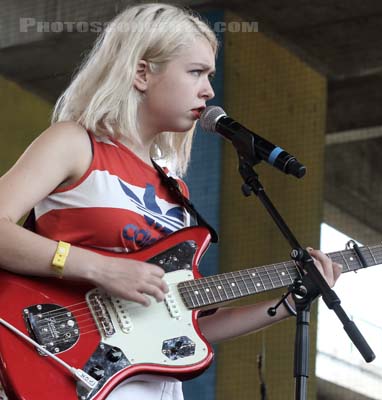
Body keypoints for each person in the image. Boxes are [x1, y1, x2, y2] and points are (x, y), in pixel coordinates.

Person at [0, 3, 342, 399]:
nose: (209, 90)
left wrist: (286, 305)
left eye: (210, 75)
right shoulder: (75, 143)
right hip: (64, 371)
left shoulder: (175, 190)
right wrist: (100, 268)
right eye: (195, 72)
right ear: (143, 73)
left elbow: (185, 322)